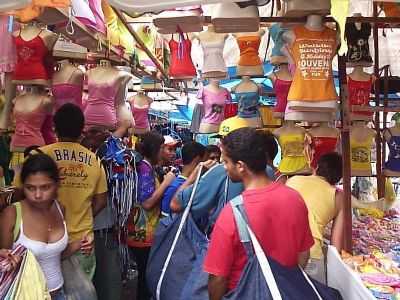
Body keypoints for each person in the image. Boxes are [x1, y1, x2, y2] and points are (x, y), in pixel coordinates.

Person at [203, 128, 314, 300]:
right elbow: (303, 254)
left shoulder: (232, 213)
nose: (224, 167)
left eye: (225, 162)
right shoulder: (294, 198)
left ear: (240, 166)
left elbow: (218, 278)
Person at [13, 103, 108, 279]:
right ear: (82, 129)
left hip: (41, 241)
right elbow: (101, 201)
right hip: (82, 241)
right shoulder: (95, 160)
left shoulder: (37, 156)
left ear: (55, 127)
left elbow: (18, 195)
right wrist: (83, 216)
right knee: (81, 294)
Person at [0, 154, 92, 300]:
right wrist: (6, 259)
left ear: (57, 185)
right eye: (30, 188)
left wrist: (80, 244)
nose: (37, 195)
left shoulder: (60, 209)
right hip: (26, 295)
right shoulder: (12, 214)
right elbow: (4, 265)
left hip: (59, 293)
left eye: (45, 187)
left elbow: (55, 256)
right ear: (23, 186)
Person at [170, 121, 279, 224]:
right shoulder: (268, 171)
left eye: (223, 139)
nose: (220, 144)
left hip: (225, 236)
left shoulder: (220, 172)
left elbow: (175, 204)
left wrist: (194, 176)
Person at [127, 131, 176, 300]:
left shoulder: (146, 167)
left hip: (142, 231)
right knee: (146, 280)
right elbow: (147, 203)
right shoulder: (144, 168)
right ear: (155, 149)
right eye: (162, 147)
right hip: (143, 233)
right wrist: (167, 182)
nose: (164, 151)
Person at [286, 152, 345, 283]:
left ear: (316, 167)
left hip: (284, 250)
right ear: (339, 176)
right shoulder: (339, 197)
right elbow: (336, 244)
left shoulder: (292, 180)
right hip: (312, 253)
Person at [161, 141, 206, 217]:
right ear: (197, 160)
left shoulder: (193, 184)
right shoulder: (175, 187)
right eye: (206, 161)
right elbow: (165, 222)